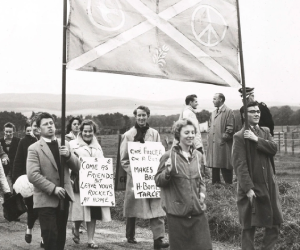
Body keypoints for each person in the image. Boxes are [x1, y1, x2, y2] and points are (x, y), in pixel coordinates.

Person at [232, 101, 283, 250]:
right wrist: (248, 188)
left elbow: (273, 148)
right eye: (252, 111)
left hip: (269, 185)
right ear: (244, 115)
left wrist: (256, 139)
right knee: (248, 225)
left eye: (258, 111)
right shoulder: (239, 136)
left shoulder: (265, 132)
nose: (256, 114)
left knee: (275, 222)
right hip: (252, 187)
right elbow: (239, 165)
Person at [155, 119, 212, 250]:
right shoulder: (168, 156)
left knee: (204, 247)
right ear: (178, 134)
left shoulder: (198, 155)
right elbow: (158, 181)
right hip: (177, 213)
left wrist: (202, 195)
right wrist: (168, 171)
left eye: (193, 132)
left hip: (198, 211)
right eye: (186, 132)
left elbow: (201, 179)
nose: (190, 135)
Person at [27, 112, 80, 250]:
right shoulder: (34, 148)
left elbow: (77, 167)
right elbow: (32, 174)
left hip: (63, 198)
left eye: (51, 123)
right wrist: (53, 188)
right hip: (45, 199)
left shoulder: (65, 145)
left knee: (61, 237)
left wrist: (68, 156)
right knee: (50, 236)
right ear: (38, 129)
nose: (50, 126)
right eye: (45, 124)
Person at [120, 106, 169, 249]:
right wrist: (134, 171)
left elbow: (159, 154)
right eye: (139, 115)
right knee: (133, 207)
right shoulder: (128, 135)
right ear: (135, 117)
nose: (141, 118)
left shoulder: (154, 134)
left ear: (148, 116)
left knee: (156, 205)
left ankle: (158, 239)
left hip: (151, 177)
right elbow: (124, 159)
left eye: (144, 115)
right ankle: (130, 234)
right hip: (135, 178)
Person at [69, 119, 111, 249]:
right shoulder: (73, 144)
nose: (87, 133)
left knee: (93, 212)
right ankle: (76, 229)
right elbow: (68, 162)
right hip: (78, 182)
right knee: (78, 211)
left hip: (94, 184)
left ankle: (90, 239)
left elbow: (102, 163)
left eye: (90, 131)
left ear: (94, 132)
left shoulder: (97, 146)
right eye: (85, 131)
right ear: (81, 131)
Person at [13, 118, 43, 246]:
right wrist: (16, 181)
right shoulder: (24, 142)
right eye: (33, 127)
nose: (35, 129)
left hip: (45, 181)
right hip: (29, 182)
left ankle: (44, 237)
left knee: (44, 210)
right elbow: (18, 161)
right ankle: (29, 229)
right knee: (32, 209)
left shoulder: (46, 140)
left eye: (37, 126)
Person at [206, 93, 235, 184]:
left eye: (215, 99)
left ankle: (228, 184)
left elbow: (230, 128)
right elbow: (210, 125)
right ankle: (215, 183)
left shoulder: (229, 111)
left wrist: (223, 139)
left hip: (223, 143)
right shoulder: (213, 112)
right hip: (214, 143)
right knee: (215, 164)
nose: (213, 101)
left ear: (221, 100)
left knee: (225, 163)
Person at [0, 122, 21, 189]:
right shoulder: (0, 141)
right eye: (6, 132)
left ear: (13, 131)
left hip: (16, 169)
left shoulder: (19, 141)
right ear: (4, 131)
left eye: (10, 132)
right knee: (8, 188)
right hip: (4, 170)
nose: (8, 133)